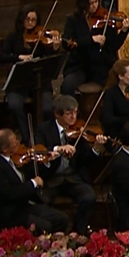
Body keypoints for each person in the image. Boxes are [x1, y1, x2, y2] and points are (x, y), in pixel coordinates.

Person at [38, 96, 107, 234]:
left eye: (75, 112)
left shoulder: (78, 132)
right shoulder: (43, 129)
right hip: (51, 179)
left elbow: (86, 160)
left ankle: (78, 231)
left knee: (89, 196)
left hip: (72, 178)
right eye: (69, 113)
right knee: (41, 199)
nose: (73, 117)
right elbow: (38, 150)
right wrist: (57, 149)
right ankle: (50, 234)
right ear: (57, 114)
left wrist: (97, 148)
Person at [1, 4, 63, 141]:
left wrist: (55, 48)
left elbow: (49, 57)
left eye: (33, 20)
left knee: (47, 108)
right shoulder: (13, 37)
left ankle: (41, 137)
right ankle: (26, 137)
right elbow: (3, 57)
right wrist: (19, 57)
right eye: (27, 19)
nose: (30, 23)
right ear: (21, 19)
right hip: (19, 83)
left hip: (40, 81)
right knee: (14, 105)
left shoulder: (41, 38)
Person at [0, 128, 67, 233]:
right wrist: (33, 183)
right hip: (11, 213)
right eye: (14, 142)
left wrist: (47, 161)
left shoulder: (15, 158)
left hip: (25, 206)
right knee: (45, 226)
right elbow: (9, 193)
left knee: (62, 218)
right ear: (4, 149)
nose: (18, 143)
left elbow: (31, 172)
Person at [62, 0, 129, 97]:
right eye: (91, 3)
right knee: (67, 85)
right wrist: (91, 40)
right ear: (83, 4)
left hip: (101, 66)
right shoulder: (73, 20)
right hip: (80, 66)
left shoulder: (105, 18)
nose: (95, 6)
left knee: (118, 84)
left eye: (96, 2)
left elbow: (113, 46)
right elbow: (67, 43)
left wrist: (123, 31)